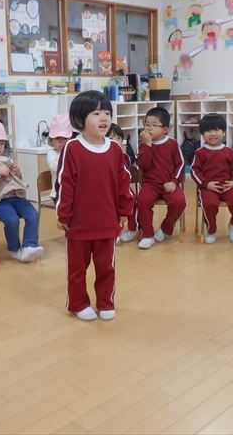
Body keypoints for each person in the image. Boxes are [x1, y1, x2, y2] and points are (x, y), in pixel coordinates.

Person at [55, 90, 134, 321]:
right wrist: (63, 215)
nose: (103, 118)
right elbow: (65, 184)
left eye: (107, 113)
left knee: (106, 267)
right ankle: (78, 303)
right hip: (79, 223)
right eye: (96, 113)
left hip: (107, 222)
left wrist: (124, 211)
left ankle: (105, 302)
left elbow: (123, 181)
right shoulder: (72, 148)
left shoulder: (114, 149)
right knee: (77, 269)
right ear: (79, 119)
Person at [0, 119, 44, 263]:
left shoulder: (6, 159)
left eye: (2, 143)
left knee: (32, 214)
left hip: (14, 197)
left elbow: (15, 181)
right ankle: (14, 249)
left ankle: (29, 246)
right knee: (11, 219)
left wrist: (17, 173)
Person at [191, 113, 233, 243]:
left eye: (216, 130)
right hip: (208, 188)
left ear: (223, 132)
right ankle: (211, 230)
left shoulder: (230, 152)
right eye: (208, 131)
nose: (212, 134)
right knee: (209, 204)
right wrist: (206, 184)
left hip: (228, 186)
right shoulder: (199, 153)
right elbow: (195, 171)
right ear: (202, 134)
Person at [135, 107, 186, 249]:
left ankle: (165, 228)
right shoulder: (142, 145)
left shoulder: (172, 143)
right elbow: (143, 165)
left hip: (169, 183)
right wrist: (148, 145)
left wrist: (174, 181)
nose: (149, 128)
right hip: (150, 184)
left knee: (179, 202)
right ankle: (148, 234)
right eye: (146, 124)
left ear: (165, 129)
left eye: (154, 125)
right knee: (143, 201)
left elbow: (181, 164)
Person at [107, 123, 138, 243]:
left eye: (118, 138)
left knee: (132, 200)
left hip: (122, 188)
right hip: (106, 189)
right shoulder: (102, 155)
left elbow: (126, 176)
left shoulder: (125, 157)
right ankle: (113, 231)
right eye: (111, 138)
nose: (115, 141)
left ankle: (133, 228)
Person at [47, 114, 74, 200]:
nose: (61, 142)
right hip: (57, 193)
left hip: (71, 192)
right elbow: (56, 168)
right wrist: (63, 153)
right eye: (58, 138)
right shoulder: (51, 154)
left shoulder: (72, 152)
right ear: (51, 140)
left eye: (65, 138)